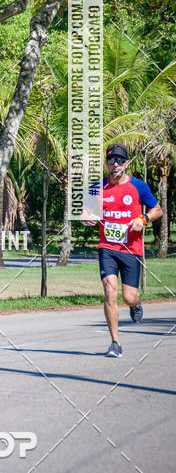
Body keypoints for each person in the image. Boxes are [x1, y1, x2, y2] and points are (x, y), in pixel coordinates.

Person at [81, 144, 162, 357]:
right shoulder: (96, 187)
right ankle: (115, 343)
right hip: (107, 247)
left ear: (127, 163)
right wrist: (87, 218)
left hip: (131, 249)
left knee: (128, 297)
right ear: (106, 163)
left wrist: (143, 219)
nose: (115, 164)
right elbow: (85, 212)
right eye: (111, 160)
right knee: (109, 289)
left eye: (119, 160)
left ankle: (135, 305)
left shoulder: (139, 187)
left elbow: (157, 210)